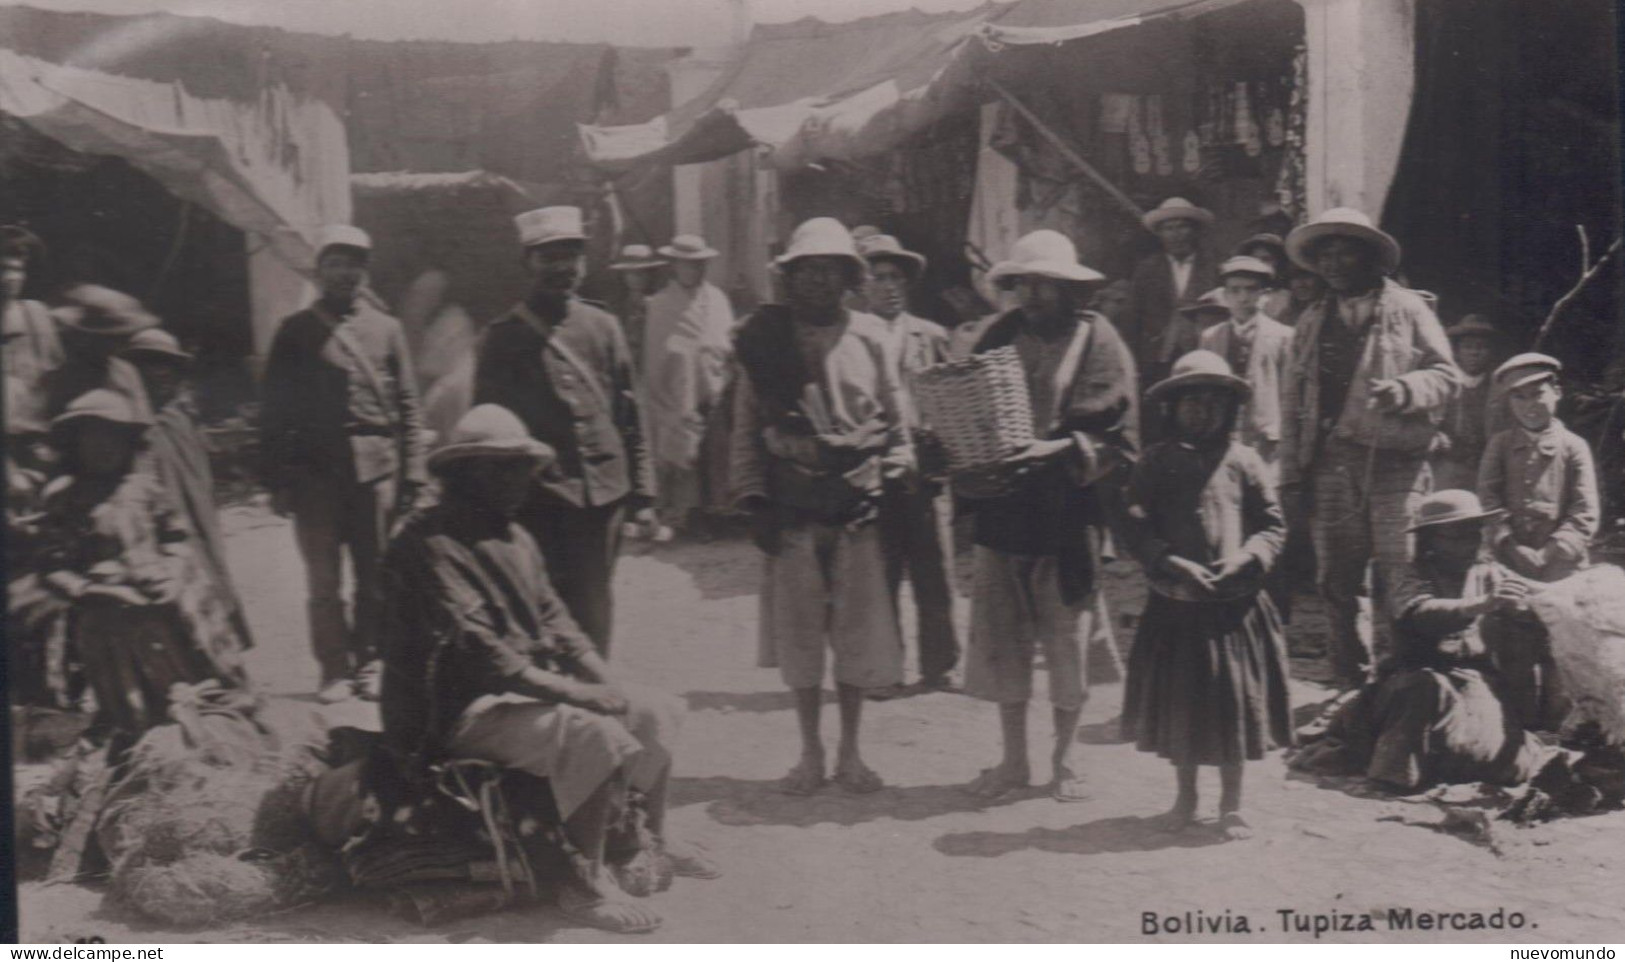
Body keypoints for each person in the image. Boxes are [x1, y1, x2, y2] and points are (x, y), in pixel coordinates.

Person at [380, 404, 715, 936]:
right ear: (464, 473)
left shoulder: (516, 538)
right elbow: (481, 651)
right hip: (449, 715)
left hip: (512, 696)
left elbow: (560, 624)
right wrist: (580, 696)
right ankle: (585, 883)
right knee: (591, 731)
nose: (520, 481)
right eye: (504, 468)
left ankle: (652, 834)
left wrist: (603, 682)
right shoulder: (425, 544)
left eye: (521, 467)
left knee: (654, 709)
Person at [729, 217, 913, 796]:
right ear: (790, 278)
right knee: (801, 637)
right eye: (805, 271)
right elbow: (744, 429)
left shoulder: (871, 337)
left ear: (846, 278)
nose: (816, 282)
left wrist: (896, 463)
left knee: (855, 636)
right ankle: (809, 753)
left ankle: (852, 754)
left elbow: (898, 420)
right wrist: (753, 496)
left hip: (856, 506)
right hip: (793, 507)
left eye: (828, 271)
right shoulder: (763, 341)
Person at [958, 229, 1139, 803]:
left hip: (1067, 511)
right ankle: (1014, 760)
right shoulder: (997, 336)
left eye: (1048, 285)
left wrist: (1058, 450)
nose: (1035, 295)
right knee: (1005, 638)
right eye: (1026, 284)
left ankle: (1064, 762)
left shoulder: (1098, 342)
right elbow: (967, 407)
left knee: (1067, 639)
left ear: (1069, 290)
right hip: (1005, 509)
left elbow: (1119, 433)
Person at [1279, 208, 1462, 691]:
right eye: (1326, 256)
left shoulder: (1407, 309)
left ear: (1370, 258)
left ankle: (1405, 682)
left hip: (1395, 466)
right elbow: (1291, 403)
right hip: (1331, 467)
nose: (1335, 264)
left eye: (1346, 253)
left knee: (1400, 574)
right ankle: (1349, 686)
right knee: (1337, 581)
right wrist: (1291, 475)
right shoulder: (1311, 321)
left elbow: (1447, 376)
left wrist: (1405, 390)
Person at [1119, 351, 1292, 838]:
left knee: (1232, 706)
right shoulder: (1154, 462)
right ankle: (1185, 798)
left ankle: (1231, 804)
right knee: (1184, 708)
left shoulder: (1244, 461)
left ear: (1228, 408)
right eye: (1190, 402)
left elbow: (1273, 525)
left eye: (1212, 402)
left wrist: (1247, 557)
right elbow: (1135, 527)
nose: (1201, 411)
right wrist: (1169, 561)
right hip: (1178, 606)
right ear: (1171, 408)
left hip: (1233, 610)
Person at [474, 207, 657, 655]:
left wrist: (645, 496)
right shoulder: (503, 338)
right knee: (539, 603)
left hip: (603, 494)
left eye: (571, 256)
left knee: (595, 605)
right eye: (547, 257)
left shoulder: (604, 326)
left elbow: (631, 413)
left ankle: (593, 698)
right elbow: (487, 429)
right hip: (540, 497)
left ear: (585, 263)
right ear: (527, 263)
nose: (561, 268)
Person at [260, 225, 428, 703]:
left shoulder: (388, 330)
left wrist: (412, 472)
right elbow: (274, 412)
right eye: (335, 263)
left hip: (376, 474)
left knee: (375, 576)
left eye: (354, 264)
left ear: (365, 271)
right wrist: (276, 480)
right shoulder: (295, 332)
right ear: (319, 272)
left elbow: (409, 407)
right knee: (324, 579)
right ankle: (333, 668)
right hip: (315, 475)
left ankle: (371, 661)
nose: (345, 273)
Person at [1291, 491, 1549, 791]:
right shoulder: (1408, 574)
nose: (1468, 544)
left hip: (1472, 681)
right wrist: (1481, 605)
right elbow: (1420, 613)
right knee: (1424, 691)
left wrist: (1523, 610)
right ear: (1430, 539)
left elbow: (1530, 605)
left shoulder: (1490, 572)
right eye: (1455, 537)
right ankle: (1393, 773)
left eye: (1473, 534)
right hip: (1409, 681)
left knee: (1504, 764)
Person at [33, 389, 247, 747]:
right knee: (129, 696)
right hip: (104, 612)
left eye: (114, 438)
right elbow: (51, 565)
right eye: (93, 439)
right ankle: (138, 732)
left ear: (130, 443)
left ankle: (208, 715)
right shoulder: (65, 499)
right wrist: (91, 589)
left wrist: (174, 574)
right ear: (74, 444)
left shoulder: (145, 488)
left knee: (187, 662)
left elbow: (177, 537)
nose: (104, 448)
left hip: (159, 599)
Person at [857, 233, 960, 697]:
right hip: (872, 469)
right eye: (877, 278)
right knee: (880, 572)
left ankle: (941, 666)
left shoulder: (931, 335)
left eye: (896, 277)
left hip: (924, 469)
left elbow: (954, 401)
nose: (888, 287)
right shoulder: (851, 334)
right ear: (862, 285)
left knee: (934, 568)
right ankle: (885, 666)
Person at [1477, 353, 1598, 729]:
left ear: (1557, 392)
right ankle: (1521, 727)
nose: (1530, 406)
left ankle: (1558, 725)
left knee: (1561, 650)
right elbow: (1488, 501)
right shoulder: (1499, 445)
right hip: (1512, 562)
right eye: (1519, 398)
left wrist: (1549, 552)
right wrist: (1509, 544)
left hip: (1562, 567)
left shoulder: (1574, 447)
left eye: (1538, 394)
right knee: (1515, 644)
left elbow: (1584, 512)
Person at [122, 328, 254, 654]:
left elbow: (201, 478)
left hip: (198, 522)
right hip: (162, 528)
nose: (160, 373)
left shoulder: (181, 419)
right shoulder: (128, 424)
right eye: (149, 364)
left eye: (167, 365)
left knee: (210, 581)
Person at [643, 234, 735, 536]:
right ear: (675, 266)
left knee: (716, 448)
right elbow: (657, 352)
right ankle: (689, 515)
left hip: (715, 384)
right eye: (687, 265)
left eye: (699, 264)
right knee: (684, 450)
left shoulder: (718, 299)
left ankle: (718, 509)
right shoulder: (660, 304)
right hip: (677, 390)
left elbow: (726, 340)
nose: (694, 271)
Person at [1199, 256, 1293, 472]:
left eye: (1251, 290)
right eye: (1235, 290)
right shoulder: (1210, 337)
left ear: (1265, 295)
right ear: (1224, 295)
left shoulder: (1284, 337)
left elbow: (1289, 393)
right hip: (1221, 433)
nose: (1243, 298)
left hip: (1265, 437)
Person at [1126, 197, 1219, 388]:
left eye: (1183, 227)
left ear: (1195, 231)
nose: (1176, 235)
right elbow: (1133, 320)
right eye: (1169, 228)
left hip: (1202, 357)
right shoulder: (1147, 270)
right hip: (1155, 361)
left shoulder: (1214, 267)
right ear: (1159, 234)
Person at [2, 226, 65, 483]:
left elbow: (56, 386)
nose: (11, 278)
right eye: (4, 268)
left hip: (36, 451)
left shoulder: (36, 316)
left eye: (18, 269)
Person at [41, 284, 155, 423]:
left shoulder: (127, 373)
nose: (116, 346)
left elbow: (142, 419)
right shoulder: (64, 373)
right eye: (109, 339)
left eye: (120, 338)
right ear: (87, 336)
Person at [1431, 315, 1501, 492]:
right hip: (1447, 467)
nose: (1474, 353)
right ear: (1457, 352)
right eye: (1467, 347)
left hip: (1487, 469)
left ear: (1491, 352)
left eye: (1481, 347)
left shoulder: (1499, 388)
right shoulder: (1443, 384)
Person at [607, 244, 666, 373]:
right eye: (632, 273)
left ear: (649, 275)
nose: (637, 278)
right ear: (624, 275)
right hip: (626, 369)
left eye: (642, 273)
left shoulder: (659, 305)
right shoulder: (617, 307)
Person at [1235, 232, 1292, 322]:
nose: (1259, 264)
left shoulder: (1287, 297)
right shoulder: (1236, 293)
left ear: (1278, 263)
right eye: (1254, 260)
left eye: (1266, 259)